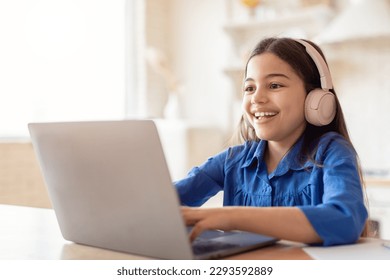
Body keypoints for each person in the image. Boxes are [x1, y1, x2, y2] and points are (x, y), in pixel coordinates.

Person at [175, 37, 368, 246]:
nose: (257, 98)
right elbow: (162, 202)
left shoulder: (332, 152)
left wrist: (231, 217)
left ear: (316, 98)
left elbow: (345, 220)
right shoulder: (232, 160)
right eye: (249, 88)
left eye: (274, 85)